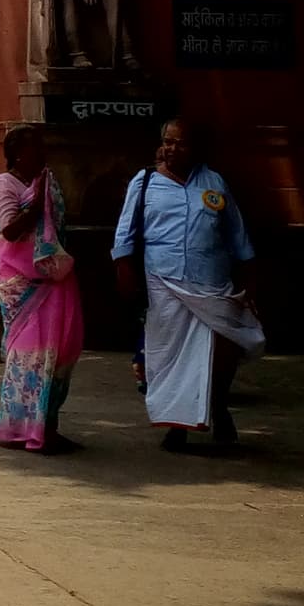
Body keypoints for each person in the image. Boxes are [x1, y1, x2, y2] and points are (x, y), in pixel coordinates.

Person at [113, 118, 264, 450]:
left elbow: (237, 235)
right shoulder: (145, 181)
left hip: (212, 283)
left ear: (196, 148)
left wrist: (250, 277)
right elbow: (125, 234)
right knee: (170, 358)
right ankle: (176, 426)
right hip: (163, 283)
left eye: (180, 143)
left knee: (223, 351)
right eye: (168, 141)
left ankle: (219, 408)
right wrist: (124, 270)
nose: (172, 149)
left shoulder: (214, 182)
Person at [0, 123, 85, 455]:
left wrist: (43, 192)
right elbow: (10, 231)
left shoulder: (47, 181)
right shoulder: (6, 183)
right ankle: (21, 427)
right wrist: (36, 200)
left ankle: (47, 426)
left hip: (54, 282)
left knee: (58, 355)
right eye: (35, 147)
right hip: (23, 285)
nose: (42, 153)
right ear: (17, 154)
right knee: (29, 358)